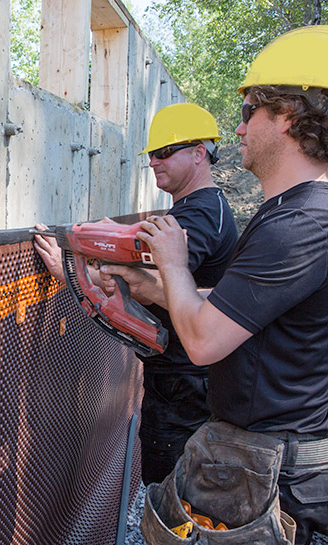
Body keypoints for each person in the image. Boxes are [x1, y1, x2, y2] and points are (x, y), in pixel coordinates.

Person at [101, 26, 328, 544]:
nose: (240, 128)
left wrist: (173, 265)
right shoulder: (291, 214)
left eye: (250, 110)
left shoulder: (304, 223)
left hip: (274, 472)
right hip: (262, 455)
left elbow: (204, 340)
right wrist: (143, 282)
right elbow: (232, 310)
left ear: (290, 116)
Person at [34, 102, 238, 486]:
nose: (154, 162)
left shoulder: (200, 215)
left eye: (164, 153)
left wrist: (72, 272)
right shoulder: (203, 209)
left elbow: (146, 282)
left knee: (171, 489)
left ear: (199, 154)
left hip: (186, 382)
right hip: (186, 376)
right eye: (151, 155)